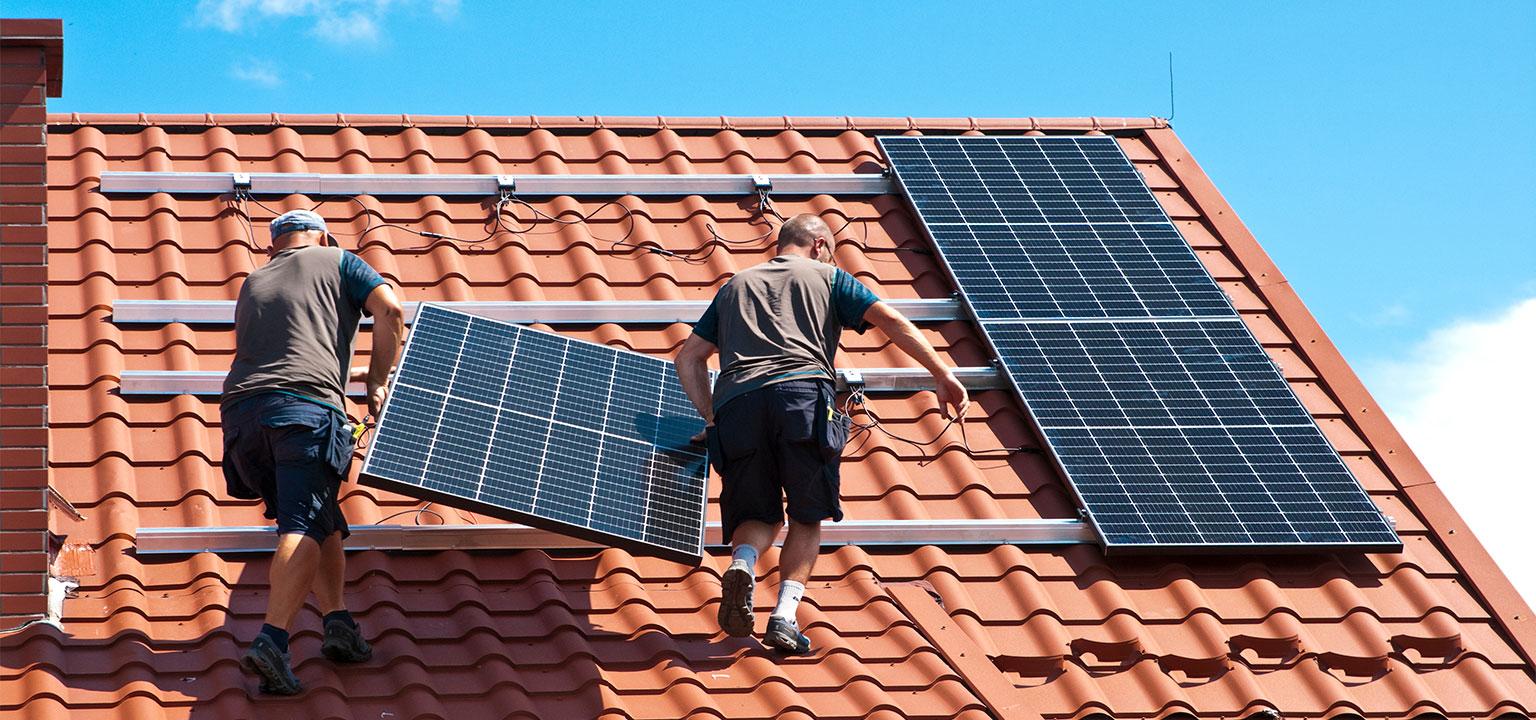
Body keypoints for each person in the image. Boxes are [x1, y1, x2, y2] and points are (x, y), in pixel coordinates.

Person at [674, 213, 968, 655]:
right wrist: (941, 373)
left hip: (739, 405)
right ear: (817, 245)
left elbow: (689, 358)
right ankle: (784, 617)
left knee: (756, 511)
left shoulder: (734, 287)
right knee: (806, 514)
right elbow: (888, 320)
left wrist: (712, 418)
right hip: (802, 398)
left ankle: (743, 563)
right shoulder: (829, 276)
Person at [221, 209, 405, 694]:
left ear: (273, 247)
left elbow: (292, 355)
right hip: (302, 414)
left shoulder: (254, 281)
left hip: (243, 420)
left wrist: (347, 377)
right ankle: (272, 640)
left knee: (320, 514)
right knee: (301, 524)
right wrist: (381, 379)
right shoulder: (340, 259)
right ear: (322, 237)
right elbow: (390, 311)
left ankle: (338, 623)